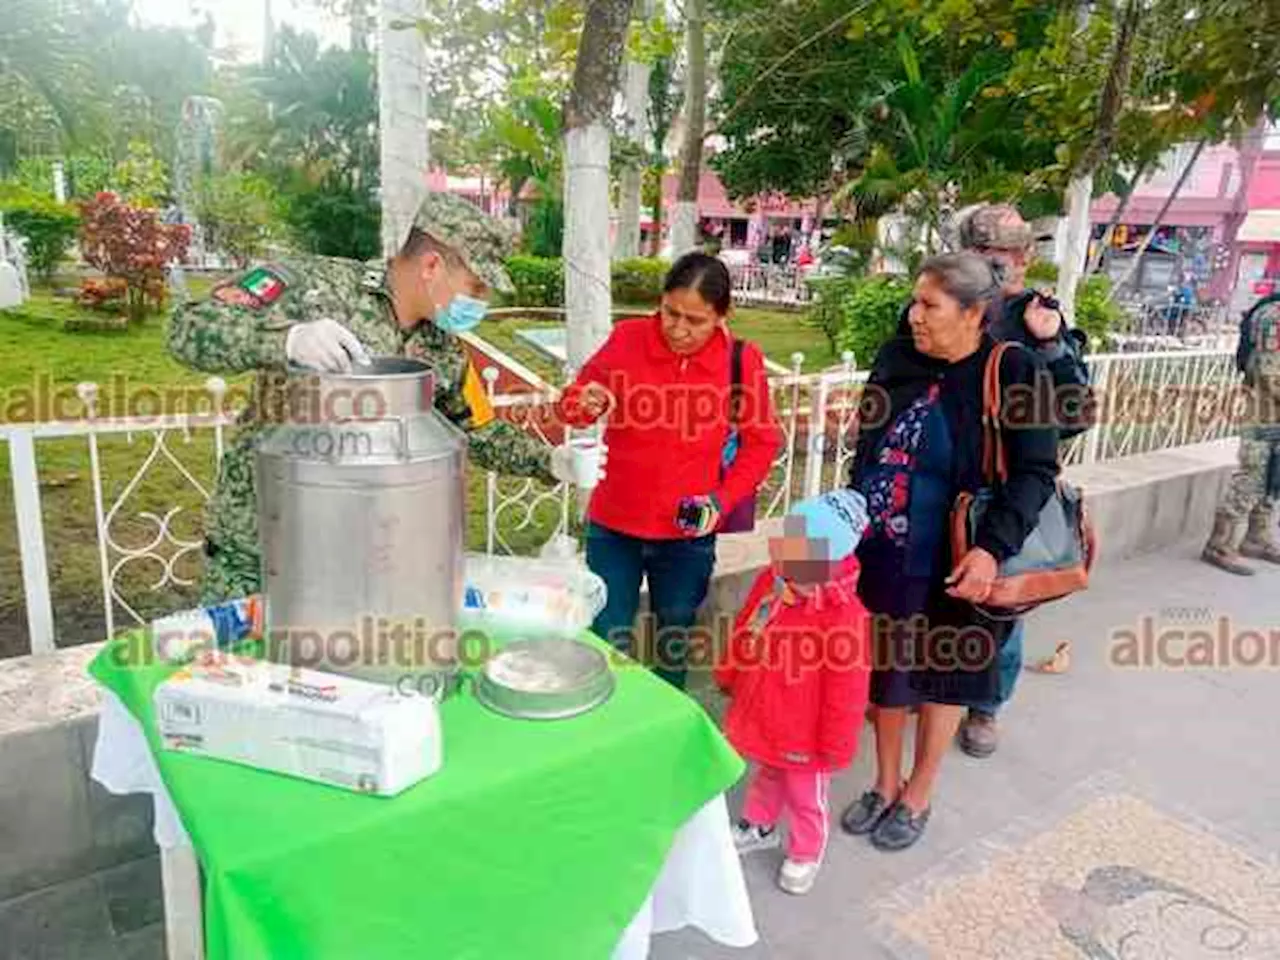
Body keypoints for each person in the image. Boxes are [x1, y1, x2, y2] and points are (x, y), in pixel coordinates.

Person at [168, 192, 598, 604]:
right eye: (478, 286)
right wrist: (285, 340)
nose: (481, 302)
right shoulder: (316, 287)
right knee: (238, 676)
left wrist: (550, 461)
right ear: (432, 265)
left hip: (358, 568)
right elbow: (187, 328)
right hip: (260, 557)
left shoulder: (443, 347)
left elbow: (471, 428)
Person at [839, 253, 1059, 851]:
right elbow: (867, 444)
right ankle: (883, 782)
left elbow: (1036, 471)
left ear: (975, 313)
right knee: (886, 673)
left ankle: (919, 791)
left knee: (946, 676)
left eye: (929, 306)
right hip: (884, 549)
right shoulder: (898, 358)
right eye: (914, 301)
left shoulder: (1012, 370)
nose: (914, 315)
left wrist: (992, 549)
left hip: (962, 558)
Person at [557, 253, 783, 689]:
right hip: (615, 525)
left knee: (674, 641)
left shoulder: (741, 360)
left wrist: (720, 501)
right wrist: (584, 402)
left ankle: (663, 731)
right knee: (606, 637)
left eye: (695, 320)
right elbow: (573, 404)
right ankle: (605, 733)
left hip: (687, 534)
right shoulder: (627, 339)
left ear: (722, 315)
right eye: (670, 313)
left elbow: (761, 443)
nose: (678, 329)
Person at [951, 201, 1093, 759]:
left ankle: (986, 705)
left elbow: (1078, 412)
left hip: (1012, 488)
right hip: (949, 481)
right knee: (943, 595)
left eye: (1012, 252)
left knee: (1001, 605)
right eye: (988, 252)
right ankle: (932, 685)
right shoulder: (947, 306)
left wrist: (1052, 345)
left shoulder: (1040, 318)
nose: (1003, 264)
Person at [716, 490, 872, 896]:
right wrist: (731, 671)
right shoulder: (775, 584)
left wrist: (835, 744)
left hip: (808, 731)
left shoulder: (844, 619)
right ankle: (759, 823)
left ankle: (806, 850)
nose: (784, 557)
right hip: (770, 710)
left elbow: (847, 690)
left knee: (806, 794)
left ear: (832, 563)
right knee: (767, 771)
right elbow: (748, 626)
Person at [1201, 290, 1280, 575]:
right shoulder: (1274, 315)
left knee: (1274, 477)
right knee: (1253, 475)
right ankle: (1219, 545)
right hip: (1264, 412)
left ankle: (1257, 538)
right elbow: (1268, 371)